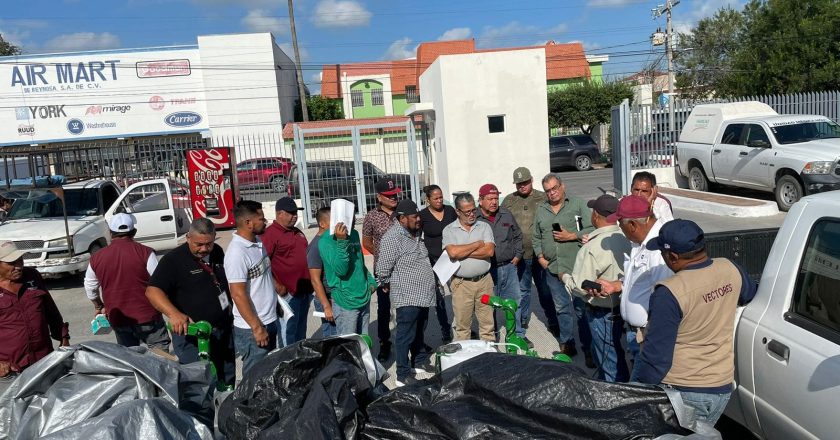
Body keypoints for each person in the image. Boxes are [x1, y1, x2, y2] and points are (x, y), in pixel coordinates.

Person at [634, 219, 757, 424]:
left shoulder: (669, 292)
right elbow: (749, 293)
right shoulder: (729, 267)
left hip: (683, 391)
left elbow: (657, 358)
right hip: (721, 387)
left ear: (672, 256)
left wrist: (639, 393)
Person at [145, 218, 235, 387]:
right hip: (192, 337)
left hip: (222, 331)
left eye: (209, 244)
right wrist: (174, 314)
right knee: (199, 384)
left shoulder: (217, 252)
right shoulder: (172, 261)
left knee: (226, 377)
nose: (204, 249)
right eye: (198, 244)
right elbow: (152, 291)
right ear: (188, 238)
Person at [560, 195, 631, 382]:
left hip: (601, 313)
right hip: (622, 307)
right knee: (615, 353)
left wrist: (565, 277)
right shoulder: (627, 237)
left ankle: (616, 401)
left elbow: (580, 286)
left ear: (596, 216)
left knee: (609, 362)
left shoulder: (592, 247)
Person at [597, 195, 674, 364]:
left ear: (632, 225)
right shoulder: (640, 241)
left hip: (649, 336)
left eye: (620, 225)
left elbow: (663, 299)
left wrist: (651, 340)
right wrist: (617, 285)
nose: (621, 231)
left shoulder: (658, 250)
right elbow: (640, 279)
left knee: (641, 386)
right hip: (637, 333)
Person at [84, 213, 170, 351]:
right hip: (148, 316)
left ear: (111, 233)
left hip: (119, 319)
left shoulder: (96, 258)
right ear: (134, 232)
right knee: (160, 358)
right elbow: (161, 283)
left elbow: (90, 288)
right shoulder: (146, 253)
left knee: (129, 358)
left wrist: (98, 306)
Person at [532, 174, 594, 358]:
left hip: (577, 268)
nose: (552, 193)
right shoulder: (542, 209)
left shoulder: (577, 204)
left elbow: (592, 228)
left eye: (554, 188)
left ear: (562, 186)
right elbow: (536, 236)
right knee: (561, 309)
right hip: (553, 269)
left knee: (581, 310)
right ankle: (567, 343)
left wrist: (572, 236)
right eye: (548, 190)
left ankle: (588, 348)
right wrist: (540, 257)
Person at [375, 200, 437, 387]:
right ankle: (402, 374)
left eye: (418, 215)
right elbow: (383, 267)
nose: (419, 219)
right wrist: (384, 283)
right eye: (414, 217)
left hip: (423, 294)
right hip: (407, 295)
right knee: (405, 334)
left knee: (420, 329)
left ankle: (418, 362)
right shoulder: (392, 238)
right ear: (402, 219)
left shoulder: (415, 233)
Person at [0, 241, 69, 395]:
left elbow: (50, 309)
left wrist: (64, 337)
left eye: (20, 260)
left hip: (43, 360)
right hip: (10, 370)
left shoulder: (32, 276)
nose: (18, 266)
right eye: (11, 263)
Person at [502, 167, 559, 336]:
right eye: (519, 183)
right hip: (520, 255)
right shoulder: (509, 201)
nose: (522, 186)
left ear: (531, 180)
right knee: (522, 291)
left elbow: (554, 217)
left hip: (541, 254)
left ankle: (553, 321)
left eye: (525, 182)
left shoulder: (542, 197)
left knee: (545, 291)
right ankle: (522, 322)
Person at [224, 200, 279, 376]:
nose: (266, 222)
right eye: (261, 219)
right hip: (253, 328)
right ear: (248, 223)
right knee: (255, 379)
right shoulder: (237, 253)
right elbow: (237, 294)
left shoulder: (257, 242)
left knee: (268, 375)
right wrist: (256, 327)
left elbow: (262, 279)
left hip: (268, 319)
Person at [475, 183, 527, 344]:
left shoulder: (506, 214)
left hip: (509, 267)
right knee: (489, 307)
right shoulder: (474, 218)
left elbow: (518, 235)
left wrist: (518, 255)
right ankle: (492, 339)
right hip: (488, 270)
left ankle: (518, 335)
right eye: (490, 199)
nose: (494, 202)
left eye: (496, 198)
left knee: (514, 302)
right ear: (481, 200)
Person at [442, 193, 496, 342]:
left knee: (487, 324)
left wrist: (462, 252)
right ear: (458, 212)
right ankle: (464, 360)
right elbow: (452, 252)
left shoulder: (484, 226)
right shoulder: (449, 230)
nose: (472, 214)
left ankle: (490, 354)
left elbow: (489, 251)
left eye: (474, 210)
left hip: (484, 282)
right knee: (462, 326)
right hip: (461, 284)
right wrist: (477, 244)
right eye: (467, 212)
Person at [262, 197, 313, 346]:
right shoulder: (270, 234)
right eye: (291, 213)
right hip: (287, 294)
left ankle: (298, 360)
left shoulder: (297, 231)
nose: (295, 216)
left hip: (304, 290)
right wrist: (276, 285)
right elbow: (263, 264)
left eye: (296, 212)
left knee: (300, 329)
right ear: (279, 214)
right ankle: (286, 364)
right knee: (287, 332)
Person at [363, 178, 401, 361]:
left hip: (404, 268)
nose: (394, 197)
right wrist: (384, 255)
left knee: (408, 307)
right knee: (384, 308)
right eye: (389, 195)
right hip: (383, 271)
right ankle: (385, 342)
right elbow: (367, 242)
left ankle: (413, 341)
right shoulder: (372, 216)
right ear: (379, 197)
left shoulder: (404, 211)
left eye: (395, 194)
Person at [320, 213, 376, 335]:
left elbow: (360, 263)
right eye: (348, 214)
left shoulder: (354, 234)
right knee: (349, 345)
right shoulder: (326, 241)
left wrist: (371, 282)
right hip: (345, 303)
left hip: (363, 297)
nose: (353, 219)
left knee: (364, 343)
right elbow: (341, 270)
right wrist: (341, 241)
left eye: (353, 214)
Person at [418, 184, 456, 343]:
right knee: (439, 297)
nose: (440, 200)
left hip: (452, 259)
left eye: (441, 197)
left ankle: (463, 325)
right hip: (433, 262)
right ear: (428, 200)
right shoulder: (423, 215)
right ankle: (445, 328)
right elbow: (417, 238)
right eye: (436, 198)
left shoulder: (450, 211)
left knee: (458, 294)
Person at [307, 207, 337, 337]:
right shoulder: (315, 246)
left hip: (335, 297)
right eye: (334, 221)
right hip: (326, 299)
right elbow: (315, 280)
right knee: (332, 337)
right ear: (322, 224)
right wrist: (326, 306)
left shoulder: (330, 241)